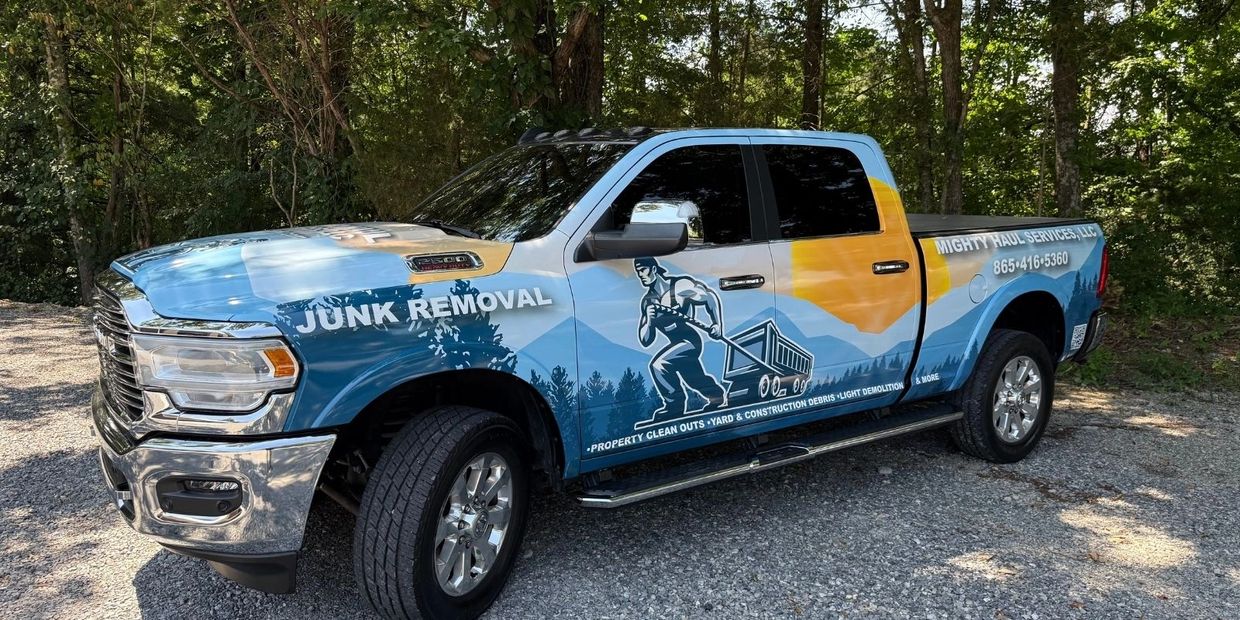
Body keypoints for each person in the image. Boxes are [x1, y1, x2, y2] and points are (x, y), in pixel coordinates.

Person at [633, 257, 728, 428]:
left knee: (659, 365)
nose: (640, 275)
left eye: (643, 270)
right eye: (637, 272)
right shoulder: (648, 302)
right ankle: (716, 395)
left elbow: (709, 297)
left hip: (690, 341)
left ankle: (674, 406)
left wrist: (716, 324)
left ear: (654, 269)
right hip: (676, 344)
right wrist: (649, 320)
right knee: (694, 379)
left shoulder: (679, 287)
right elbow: (645, 340)